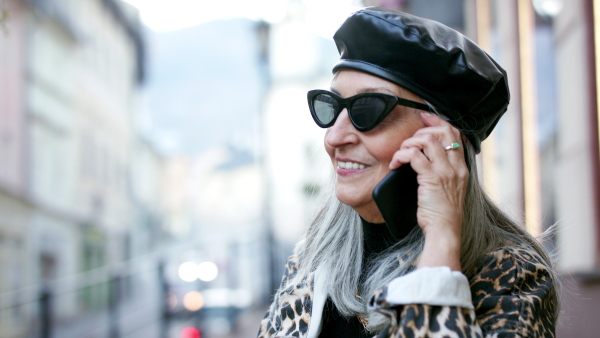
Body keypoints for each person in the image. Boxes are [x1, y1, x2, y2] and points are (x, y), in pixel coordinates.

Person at [257, 7, 558, 338]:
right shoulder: (312, 261)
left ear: (442, 139)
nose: (333, 137)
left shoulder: (512, 274)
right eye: (331, 107)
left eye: (368, 110)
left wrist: (441, 243)